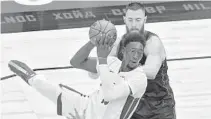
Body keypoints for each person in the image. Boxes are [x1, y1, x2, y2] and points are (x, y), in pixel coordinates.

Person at [8, 32, 147, 119]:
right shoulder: (112, 63)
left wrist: (102, 60)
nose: (136, 56)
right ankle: (31, 77)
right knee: (50, 89)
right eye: (133, 51)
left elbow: (110, 94)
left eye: (140, 53)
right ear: (124, 51)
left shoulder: (139, 78)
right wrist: (92, 42)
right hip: (85, 106)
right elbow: (76, 62)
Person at [109, 2, 176, 119]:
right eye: (130, 20)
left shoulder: (152, 42)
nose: (134, 24)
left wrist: (121, 69)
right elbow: (101, 69)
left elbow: (151, 72)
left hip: (160, 107)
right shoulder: (118, 44)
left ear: (145, 19)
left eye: (138, 20)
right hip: (133, 108)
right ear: (124, 19)